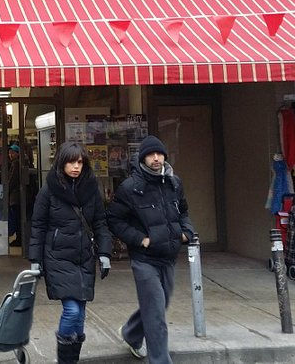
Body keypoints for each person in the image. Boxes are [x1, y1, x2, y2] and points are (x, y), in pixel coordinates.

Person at [107, 135, 196, 363]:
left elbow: (183, 211)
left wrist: (186, 232)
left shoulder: (174, 183)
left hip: (168, 256)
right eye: (151, 155)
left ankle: (131, 333)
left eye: (159, 154)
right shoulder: (130, 188)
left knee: (159, 304)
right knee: (156, 313)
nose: (156, 159)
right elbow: (114, 220)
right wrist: (140, 240)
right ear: (143, 158)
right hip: (144, 259)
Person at [29, 142, 112, 363]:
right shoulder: (49, 189)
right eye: (71, 162)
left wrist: (105, 253)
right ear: (61, 162)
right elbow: (38, 225)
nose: (76, 166)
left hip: (84, 256)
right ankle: (65, 360)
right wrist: (35, 260)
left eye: (80, 162)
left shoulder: (91, 188)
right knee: (72, 311)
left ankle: (71, 359)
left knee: (81, 314)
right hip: (57, 256)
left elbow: (100, 223)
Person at [7, 144, 22, 246]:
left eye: (12, 152)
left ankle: (19, 238)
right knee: (18, 217)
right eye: (9, 152)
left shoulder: (15, 164)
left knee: (17, 218)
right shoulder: (21, 162)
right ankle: (19, 237)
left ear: (17, 153)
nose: (10, 154)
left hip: (16, 196)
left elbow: (12, 180)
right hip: (19, 195)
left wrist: (7, 189)